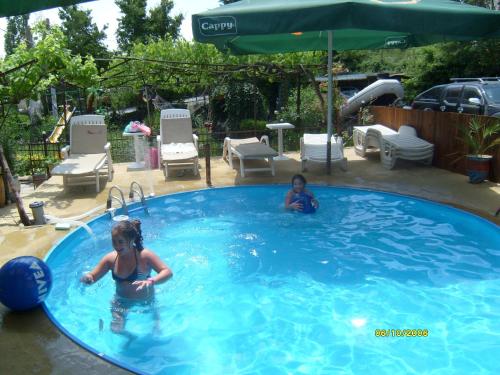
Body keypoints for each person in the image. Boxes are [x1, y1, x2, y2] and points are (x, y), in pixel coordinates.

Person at [81, 219, 172, 333]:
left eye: (120, 241)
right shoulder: (110, 259)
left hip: (146, 301)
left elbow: (167, 272)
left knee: (156, 331)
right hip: (120, 302)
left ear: (131, 240)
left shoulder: (144, 256)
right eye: (114, 241)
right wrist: (87, 278)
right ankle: (130, 339)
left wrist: (151, 281)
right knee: (116, 330)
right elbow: (93, 276)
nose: (116, 245)